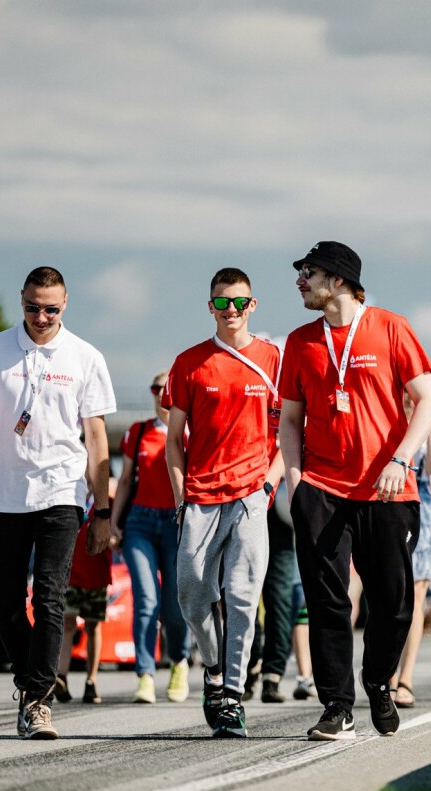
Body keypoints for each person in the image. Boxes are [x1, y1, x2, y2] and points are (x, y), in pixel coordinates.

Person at [279, 241, 431, 741]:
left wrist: (400, 459)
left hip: (388, 488)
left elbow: (428, 403)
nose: (300, 280)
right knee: (327, 602)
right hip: (322, 488)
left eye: (309, 272)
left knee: (392, 603)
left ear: (341, 280)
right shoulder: (300, 342)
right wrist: (295, 479)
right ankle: (337, 708)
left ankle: (378, 682)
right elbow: (289, 419)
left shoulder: (391, 327)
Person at [0, 266, 115, 741]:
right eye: (32, 307)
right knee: (5, 602)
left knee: (48, 598)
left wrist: (101, 511)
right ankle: (30, 680)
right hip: (4, 496)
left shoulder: (85, 356)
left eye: (51, 309)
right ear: (20, 301)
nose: (41, 317)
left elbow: (98, 440)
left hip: (62, 494)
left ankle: (38, 700)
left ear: (65, 305)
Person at [166, 267, 283, 739]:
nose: (230, 310)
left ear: (252, 305)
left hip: (252, 496)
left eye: (239, 302)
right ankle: (213, 671)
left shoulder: (275, 359)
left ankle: (232, 698)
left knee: (241, 596)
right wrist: (180, 496)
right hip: (200, 497)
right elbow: (175, 439)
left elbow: (290, 434)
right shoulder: (191, 363)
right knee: (192, 595)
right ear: (209, 306)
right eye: (221, 303)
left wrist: (268, 487)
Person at [111, 371, 190, 704]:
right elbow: (126, 479)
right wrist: (113, 522)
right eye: (157, 389)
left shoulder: (190, 433)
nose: (162, 395)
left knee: (174, 607)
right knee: (146, 602)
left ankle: (179, 663)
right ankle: (145, 674)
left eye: (168, 389)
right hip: (140, 522)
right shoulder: (138, 431)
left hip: (176, 522)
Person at [391, 398, 431, 708]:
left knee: (416, 596)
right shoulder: (386, 412)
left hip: (422, 503)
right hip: (388, 497)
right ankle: (386, 670)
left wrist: (426, 421)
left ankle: (406, 677)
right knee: (389, 593)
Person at [56, 502, 108, 705]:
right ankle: (61, 676)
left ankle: (91, 680)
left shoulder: (105, 501)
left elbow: (116, 534)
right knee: (66, 623)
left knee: (93, 625)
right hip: (70, 575)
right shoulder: (70, 496)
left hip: (97, 575)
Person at [256, 479, 298, 704]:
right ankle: (251, 661)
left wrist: (267, 487)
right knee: (241, 596)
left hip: (276, 510)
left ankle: (272, 676)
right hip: (243, 506)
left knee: (279, 598)